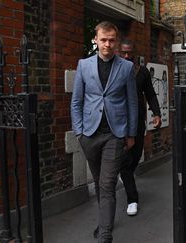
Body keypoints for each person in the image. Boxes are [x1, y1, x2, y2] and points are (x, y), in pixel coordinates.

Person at [70, 21, 138, 243]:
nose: (107, 44)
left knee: (107, 183)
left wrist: (130, 134)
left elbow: (132, 103)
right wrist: (79, 132)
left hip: (114, 135)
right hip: (89, 135)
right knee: (100, 181)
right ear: (96, 40)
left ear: (115, 41)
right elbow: (76, 101)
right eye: (103, 40)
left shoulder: (126, 68)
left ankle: (105, 236)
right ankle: (103, 223)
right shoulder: (84, 65)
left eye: (111, 40)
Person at [119, 39, 162, 216]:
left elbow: (150, 94)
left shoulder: (142, 72)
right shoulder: (115, 70)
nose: (127, 56)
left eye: (130, 53)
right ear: (119, 52)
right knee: (124, 163)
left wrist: (157, 113)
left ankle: (126, 176)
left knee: (135, 156)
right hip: (118, 124)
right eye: (124, 53)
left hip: (137, 123)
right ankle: (132, 199)